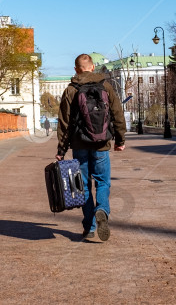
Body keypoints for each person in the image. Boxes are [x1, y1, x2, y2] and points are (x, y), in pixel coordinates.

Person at [56, 54, 127, 241]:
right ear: (93, 67)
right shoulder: (106, 86)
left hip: (79, 145)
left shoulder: (71, 90)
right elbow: (117, 114)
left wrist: (61, 150)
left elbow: (64, 123)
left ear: (76, 69)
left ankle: (89, 227)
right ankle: (102, 209)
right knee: (103, 182)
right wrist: (120, 140)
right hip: (102, 144)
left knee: (84, 185)